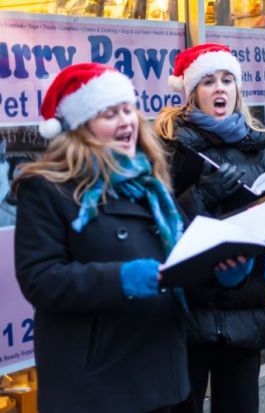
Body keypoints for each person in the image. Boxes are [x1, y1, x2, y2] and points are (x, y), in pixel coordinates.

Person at [12, 63, 190, 413]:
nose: (126, 121)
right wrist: (121, 279)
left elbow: (181, 260)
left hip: (163, 377)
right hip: (97, 386)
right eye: (110, 113)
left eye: (128, 110)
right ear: (81, 128)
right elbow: (40, 278)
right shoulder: (47, 188)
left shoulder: (150, 184)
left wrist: (225, 267)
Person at [155, 43, 265, 413]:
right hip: (187, 311)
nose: (219, 88)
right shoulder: (168, 145)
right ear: (192, 92)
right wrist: (201, 196)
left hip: (243, 306)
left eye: (227, 80)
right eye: (209, 81)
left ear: (237, 89)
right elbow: (155, 222)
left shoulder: (258, 147)